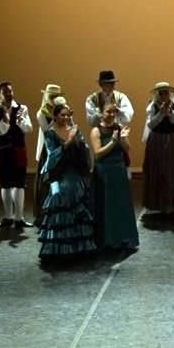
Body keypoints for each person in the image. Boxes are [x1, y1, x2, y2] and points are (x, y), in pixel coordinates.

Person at [38, 103, 96, 262]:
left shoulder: (74, 130)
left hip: (73, 172)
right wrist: (68, 141)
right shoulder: (50, 133)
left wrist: (76, 139)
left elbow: (84, 151)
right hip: (59, 174)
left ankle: (79, 247)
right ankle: (59, 248)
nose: (65, 118)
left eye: (67, 115)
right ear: (55, 116)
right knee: (59, 198)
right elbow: (52, 156)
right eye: (62, 115)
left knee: (77, 198)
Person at [90, 102, 139, 251]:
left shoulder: (118, 128)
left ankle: (122, 238)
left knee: (120, 205)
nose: (111, 115)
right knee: (107, 206)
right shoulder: (96, 131)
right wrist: (113, 141)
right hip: (104, 173)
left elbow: (128, 149)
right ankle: (107, 240)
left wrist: (123, 139)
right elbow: (98, 154)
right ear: (101, 112)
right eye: (108, 112)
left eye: (113, 112)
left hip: (118, 171)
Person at [0, 81, 34, 228]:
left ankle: (19, 218)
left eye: (10, 91)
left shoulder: (22, 108)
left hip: (18, 150)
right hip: (2, 152)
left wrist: (20, 121)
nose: (9, 94)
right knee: (5, 184)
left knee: (20, 184)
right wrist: (5, 122)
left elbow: (29, 129)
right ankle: (8, 217)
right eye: (5, 92)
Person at [141, 82, 174, 216]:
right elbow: (150, 124)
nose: (163, 95)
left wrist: (170, 113)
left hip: (172, 140)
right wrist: (161, 114)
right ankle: (158, 204)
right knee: (158, 170)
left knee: (172, 172)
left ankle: (172, 204)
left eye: (165, 92)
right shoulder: (152, 106)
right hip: (156, 140)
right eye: (161, 93)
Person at [34, 84, 64, 224]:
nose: (54, 99)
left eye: (56, 96)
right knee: (48, 180)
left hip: (62, 147)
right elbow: (47, 130)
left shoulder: (63, 110)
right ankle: (46, 212)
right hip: (48, 150)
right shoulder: (42, 113)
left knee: (62, 179)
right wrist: (56, 117)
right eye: (52, 96)